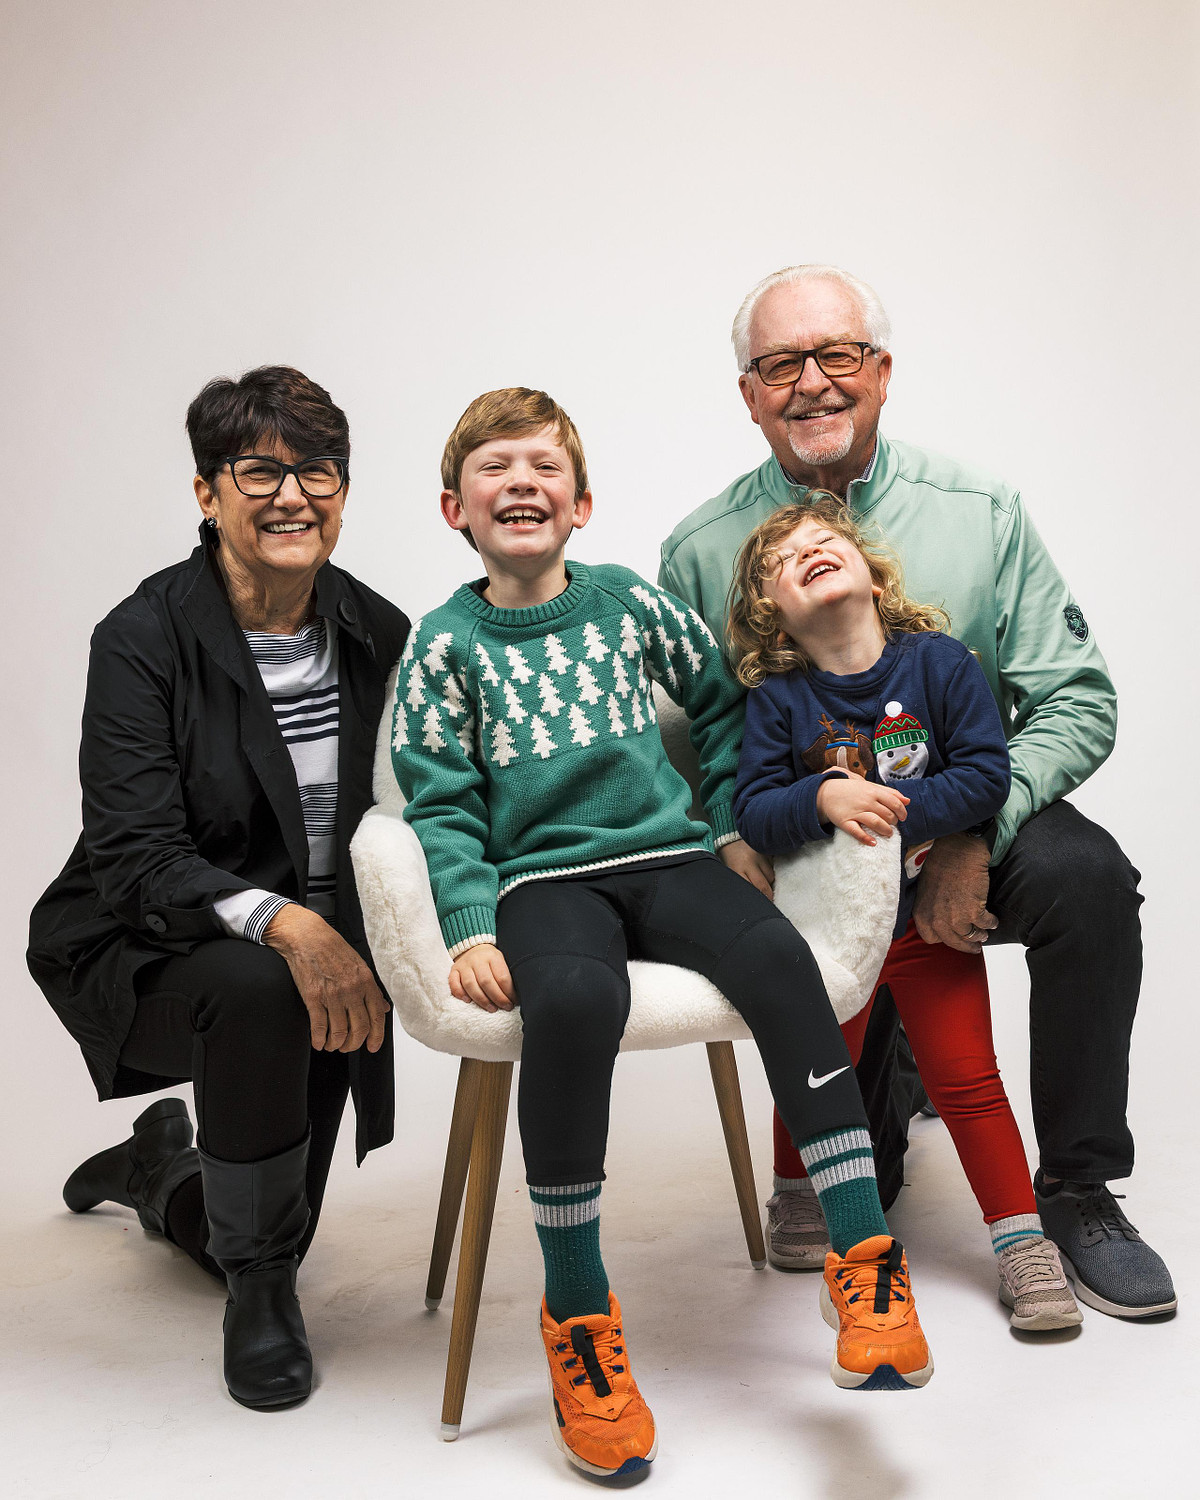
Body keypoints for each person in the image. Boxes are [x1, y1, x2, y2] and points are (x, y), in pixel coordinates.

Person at [393, 388, 934, 1479]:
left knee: (782, 962)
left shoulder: (629, 602)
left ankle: (866, 1261)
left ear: (582, 503)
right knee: (577, 1002)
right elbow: (437, 801)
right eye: (494, 469)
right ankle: (580, 1320)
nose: (521, 485)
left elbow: (727, 702)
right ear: (454, 506)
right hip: (542, 883)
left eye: (544, 467)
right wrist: (463, 924)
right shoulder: (443, 646)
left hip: (669, 858)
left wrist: (737, 820)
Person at [659, 263, 1175, 1319]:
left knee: (1086, 880)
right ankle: (863, 1129)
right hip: (811, 834)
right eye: (780, 364)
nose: (812, 383)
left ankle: (1076, 1190)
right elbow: (694, 740)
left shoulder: (980, 513)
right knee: (851, 1116)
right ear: (748, 393)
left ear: (882, 372)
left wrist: (977, 833)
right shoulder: (701, 552)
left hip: (963, 801)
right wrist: (731, 837)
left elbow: (1075, 700)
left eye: (837, 355)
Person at [27, 366, 410, 1409]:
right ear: (207, 493)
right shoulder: (145, 638)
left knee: (278, 1217)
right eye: (260, 471)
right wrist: (291, 926)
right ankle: (259, 1294)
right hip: (141, 944)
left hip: (313, 969)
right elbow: (133, 853)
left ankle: (159, 1172)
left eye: (318, 470)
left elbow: (418, 813)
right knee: (264, 1232)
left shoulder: (380, 632)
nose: (294, 495)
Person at [729, 495, 1082, 1330]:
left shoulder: (941, 666)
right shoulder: (780, 699)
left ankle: (1022, 1242)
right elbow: (755, 810)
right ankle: (797, 1198)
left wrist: (885, 804)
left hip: (924, 924)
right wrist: (823, 793)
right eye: (786, 559)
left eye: (826, 539)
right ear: (770, 615)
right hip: (826, 936)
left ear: (871, 572)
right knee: (816, 1071)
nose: (810, 551)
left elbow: (986, 777)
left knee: (969, 1080)